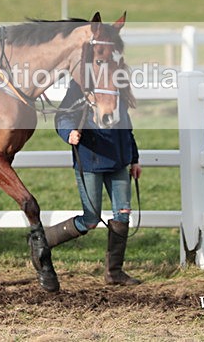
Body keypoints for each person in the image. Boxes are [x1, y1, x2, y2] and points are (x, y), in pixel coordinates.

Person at [45, 79, 142, 285]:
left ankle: (114, 273)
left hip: (119, 160)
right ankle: (43, 241)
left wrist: (134, 158)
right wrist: (68, 133)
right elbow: (63, 116)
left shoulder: (117, 86)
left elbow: (127, 127)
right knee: (90, 220)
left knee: (123, 214)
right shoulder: (79, 85)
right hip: (90, 160)